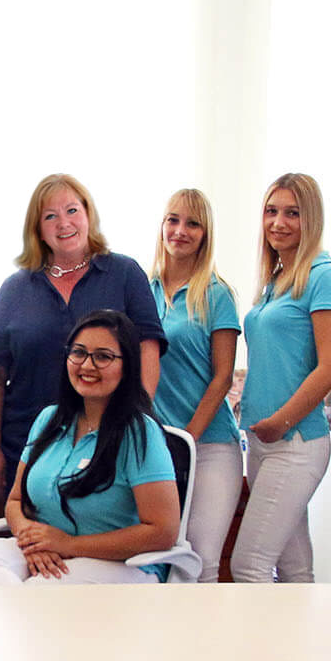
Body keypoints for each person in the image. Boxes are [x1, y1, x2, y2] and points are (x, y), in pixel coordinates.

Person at [0, 310, 181, 586]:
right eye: (78, 353)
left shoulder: (139, 432)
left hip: (122, 565)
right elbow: (16, 501)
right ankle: (15, 622)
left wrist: (69, 544)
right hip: (51, 552)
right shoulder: (48, 420)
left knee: (40, 590)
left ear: (127, 366)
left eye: (103, 356)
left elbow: (162, 532)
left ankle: (14, 622)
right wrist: (32, 540)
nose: (87, 365)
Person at [0, 174, 164, 497]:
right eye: (50, 216)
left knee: (99, 535)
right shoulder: (14, 289)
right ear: (36, 229)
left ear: (88, 214)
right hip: (28, 446)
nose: (64, 223)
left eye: (72, 211)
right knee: (33, 542)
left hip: (110, 439)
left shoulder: (124, 274)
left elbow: (148, 351)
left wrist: (134, 417)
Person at [235, 173, 331, 583]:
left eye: (292, 213)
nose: (278, 222)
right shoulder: (277, 279)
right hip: (264, 439)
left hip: (296, 441)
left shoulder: (324, 278)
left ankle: (262, 649)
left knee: (247, 566)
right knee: (294, 566)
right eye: (271, 211)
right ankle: (300, 647)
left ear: (311, 219)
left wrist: (282, 420)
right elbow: (280, 358)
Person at [149, 188, 242, 582]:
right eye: (173, 220)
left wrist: (187, 439)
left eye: (192, 223)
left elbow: (223, 377)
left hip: (210, 446)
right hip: (155, 446)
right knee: (161, 558)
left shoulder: (217, 294)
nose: (180, 230)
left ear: (205, 234)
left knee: (201, 561)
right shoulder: (143, 289)